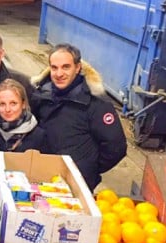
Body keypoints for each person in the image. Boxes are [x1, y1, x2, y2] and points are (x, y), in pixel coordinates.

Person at [30, 43, 127, 190]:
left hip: (79, 183)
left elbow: (116, 147)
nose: (59, 73)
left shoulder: (96, 103)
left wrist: (89, 168)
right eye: (54, 68)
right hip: (45, 178)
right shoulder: (41, 96)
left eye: (66, 67)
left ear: (78, 67)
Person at [0, 78, 48, 163]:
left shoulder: (38, 136)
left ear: (23, 104)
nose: (7, 109)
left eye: (13, 103)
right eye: (2, 104)